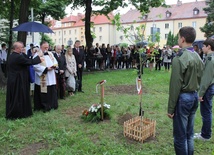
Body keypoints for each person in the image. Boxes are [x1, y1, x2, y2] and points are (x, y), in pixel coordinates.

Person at [167, 26, 204, 155]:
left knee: (180, 137)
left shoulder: (179, 58)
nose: (178, 39)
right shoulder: (197, 56)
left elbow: (175, 85)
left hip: (183, 98)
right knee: (189, 134)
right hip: (194, 96)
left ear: (182, 39)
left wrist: (171, 109)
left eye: (178, 37)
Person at [6, 41, 43, 120]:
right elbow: (30, 62)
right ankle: (19, 112)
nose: (23, 49)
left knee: (16, 96)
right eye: (22, 48)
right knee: (19, 96)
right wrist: (38, 57)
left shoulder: (12, 55)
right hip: (18, 80)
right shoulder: (17, 57)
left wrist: (33, 55)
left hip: (13, 79)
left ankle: (19, 111)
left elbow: (26, 58)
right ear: (17, 48)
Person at [194, 38, 214, 141]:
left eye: (204, 46)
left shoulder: (210, 59)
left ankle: (205, 135)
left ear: (209, 47)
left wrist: (201, 93)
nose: (202, 47)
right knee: (207, 111)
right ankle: (205, 133)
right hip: (209, 87)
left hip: (207, 88)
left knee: (206, 112)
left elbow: (206, 79)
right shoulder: (210, 57)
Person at [33, 41, 58, 112]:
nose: (46, 49)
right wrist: (46, 69)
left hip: (51, 76)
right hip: (43, 76)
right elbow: (35, 66)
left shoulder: (50, 54)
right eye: (45, 47)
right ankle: (44, 106)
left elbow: (55, 61)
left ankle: (52, 104)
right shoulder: (37, 55)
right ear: (41, 47)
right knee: (44, 92)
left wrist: (54, 66)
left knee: (51, 90)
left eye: (47, 47)